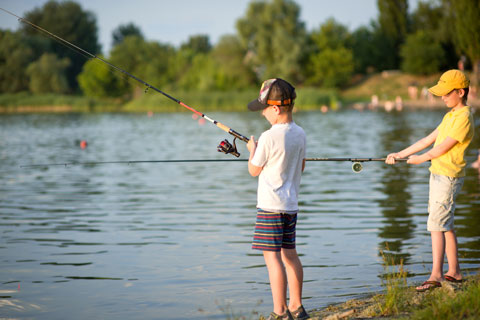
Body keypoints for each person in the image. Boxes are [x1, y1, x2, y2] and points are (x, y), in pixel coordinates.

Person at [385, 69, 474, 292]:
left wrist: (419, 160)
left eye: (446, 93)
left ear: (460, 92)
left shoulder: (464, 117)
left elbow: (443, 147)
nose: (442, 97)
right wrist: (400, 154)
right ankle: (454, 271)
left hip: (448, 177)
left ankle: (436, 275)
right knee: (446, 224)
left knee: (436, 224)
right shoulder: (450, 115)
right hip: (439, 175)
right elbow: (427, 140)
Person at [246, 78, 308, 320]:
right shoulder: (300, 133)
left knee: (272, 259)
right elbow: (300, 167)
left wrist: (253, 150)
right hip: (291, 206)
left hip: (270, 207)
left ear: (275, 108)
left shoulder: (269, 137)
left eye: (263, 109)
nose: (262, 113)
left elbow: (254, 170)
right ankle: (297, 306)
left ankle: (280, 311)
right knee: (290, 254)